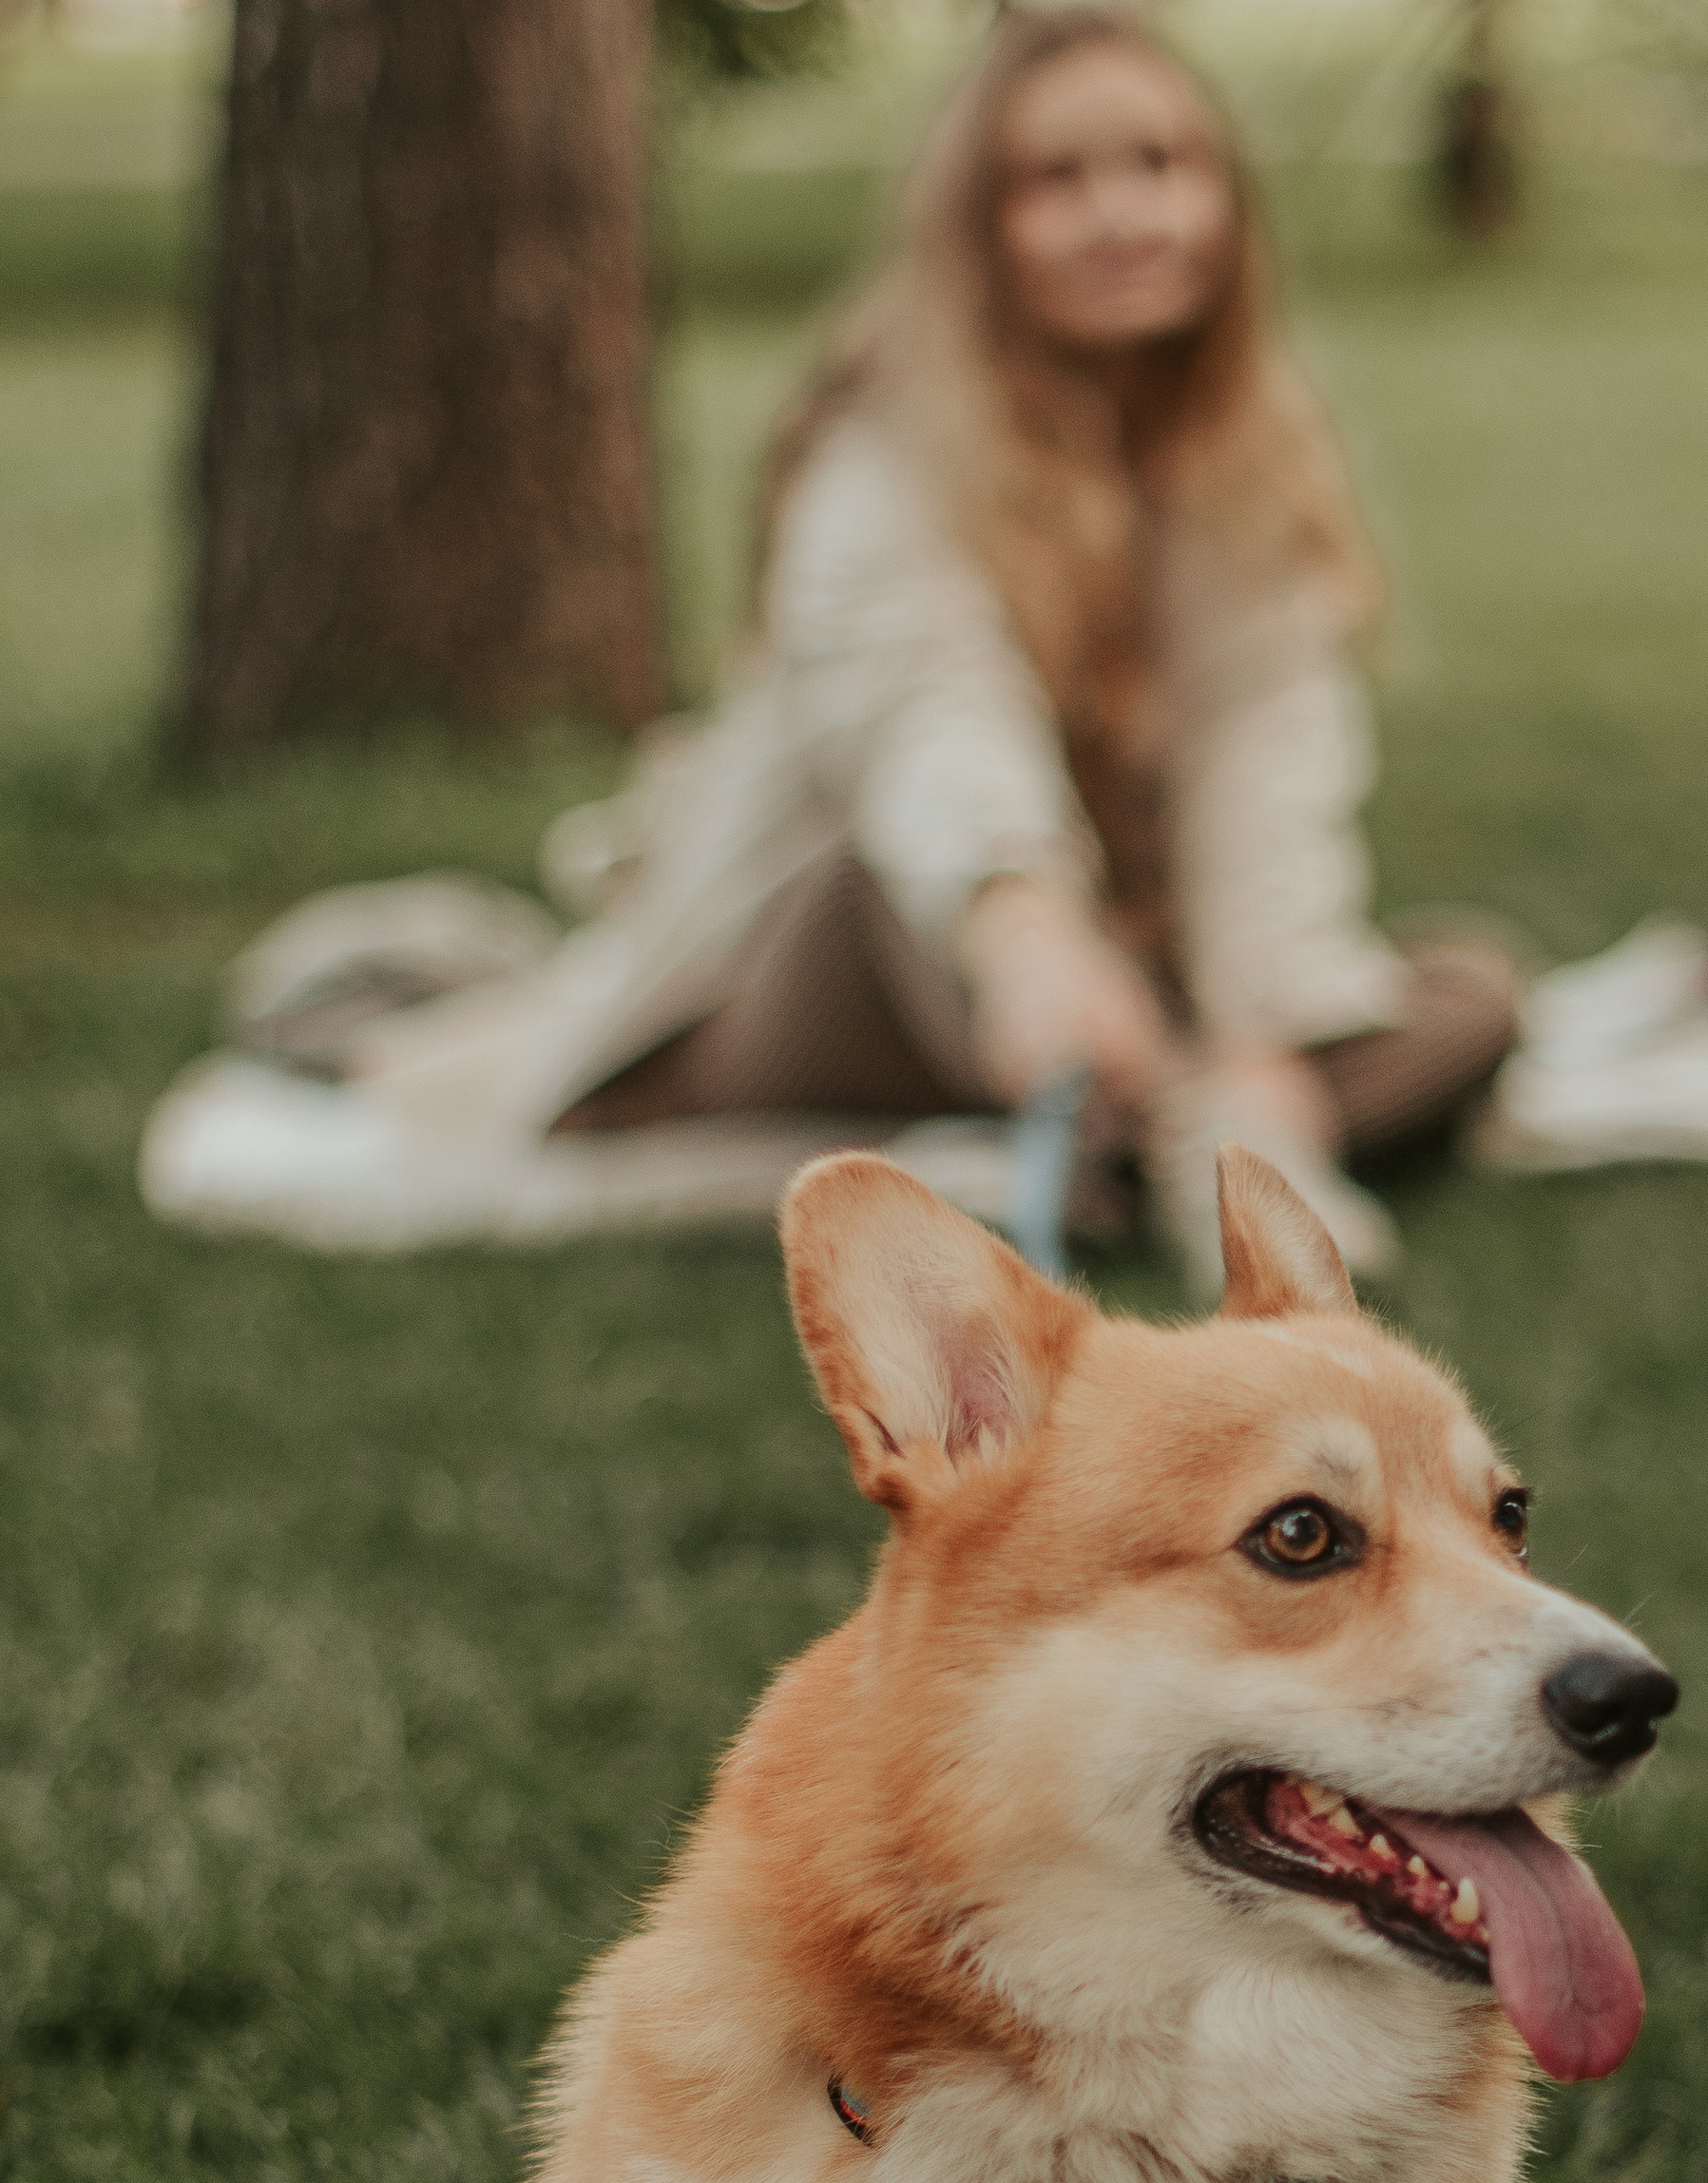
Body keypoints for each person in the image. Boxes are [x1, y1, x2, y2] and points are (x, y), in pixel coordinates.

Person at [144, 3, 1520, 1277]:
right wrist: (1020, 927)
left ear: (1224, 201)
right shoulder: (881, 450)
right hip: (876, 947)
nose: (1123, 214)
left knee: (1470, 995)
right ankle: (1172, 1135)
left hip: (1109, 979)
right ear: (979, 226)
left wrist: (1270, 1032)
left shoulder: (1244, 463)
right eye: (1060, 179)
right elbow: (928, 717)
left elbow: (1267, 749)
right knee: (915, 900)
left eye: (1163, 164)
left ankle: (1172, 1122)